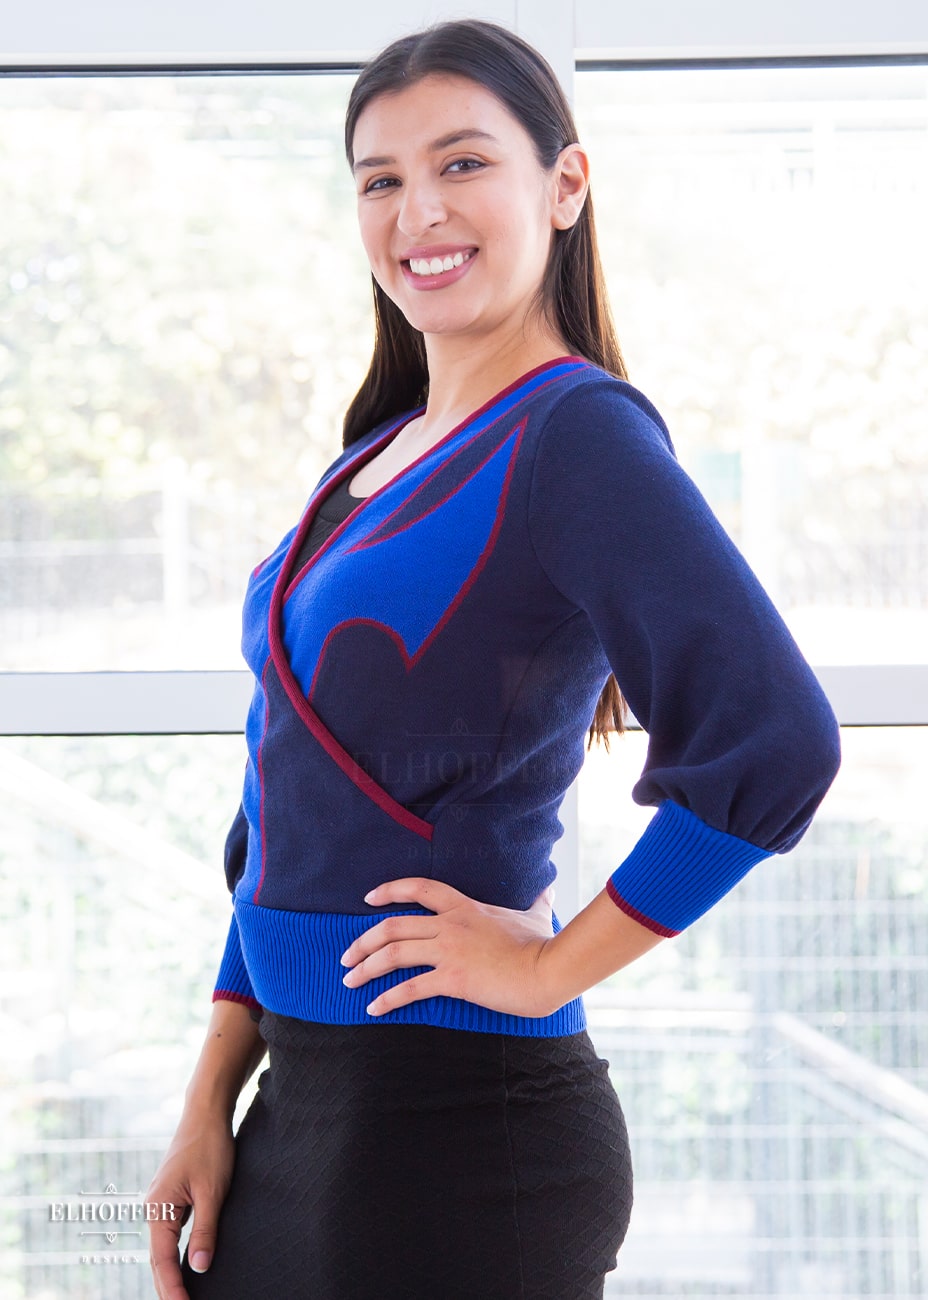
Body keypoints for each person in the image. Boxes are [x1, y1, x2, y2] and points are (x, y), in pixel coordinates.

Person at [146, 18, 841, 1300]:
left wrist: (546, 963)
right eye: (381, 178)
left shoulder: (574, 435)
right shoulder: (368, 459)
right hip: (297, 1107)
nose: (420, 210)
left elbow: (777, 739)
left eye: (463, 164)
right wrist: (211, 1089)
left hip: (456, 1126)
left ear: (563, 187)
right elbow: (281, 798)